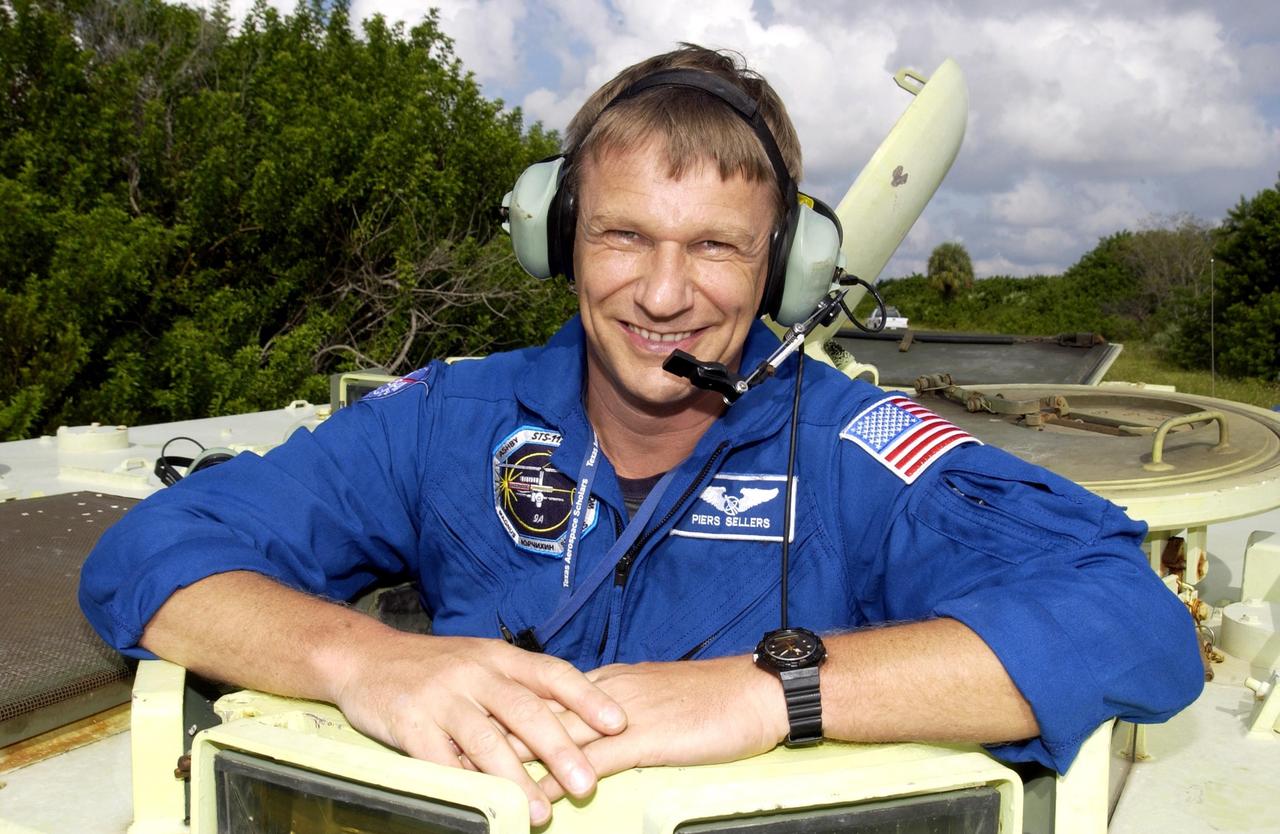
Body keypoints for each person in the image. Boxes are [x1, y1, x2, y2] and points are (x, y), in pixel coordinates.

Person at [80, 44, 1203, 827]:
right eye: (623, 235)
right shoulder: (445, 416)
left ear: (785, 267)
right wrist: (363, 661)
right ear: (558, 237)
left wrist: (769, 693)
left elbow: (1130, 622)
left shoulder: (857, 448)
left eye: (715, 246)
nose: (663, 295)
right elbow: (149, 556)